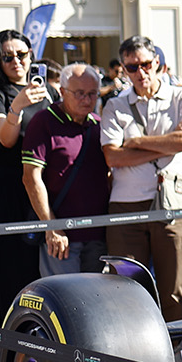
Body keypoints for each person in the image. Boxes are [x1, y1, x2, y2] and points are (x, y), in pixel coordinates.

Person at [100, 36, 182, 321]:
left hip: (176, 202)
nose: (141, 72)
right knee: (126, 291)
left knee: (174, 293)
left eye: (146, 64)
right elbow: (113, 158)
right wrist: (165, 144)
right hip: (127, 205)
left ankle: (175, 355)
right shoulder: (114, 106)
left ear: (157, 63)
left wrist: (136, 142)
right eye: (132, 67)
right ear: (123, 69)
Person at [0, 29, 48, 318]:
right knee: (15, 278)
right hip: (8, 192)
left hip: (42, 189)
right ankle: (16, 354)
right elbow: (6, 138)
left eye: (22, 55)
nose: (16, 61)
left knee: (44, 276)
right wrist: (17, 105)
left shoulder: (46, 89)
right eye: (7, 57)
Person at [21, 63, 109, 276]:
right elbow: (31, 178)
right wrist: (51, 226)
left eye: (92, 94)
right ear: (62, 92)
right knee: (63, 302)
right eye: (79, 93)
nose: (86, 100)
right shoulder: (43, 122)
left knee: (93, 302)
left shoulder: (99, 125)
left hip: (97, 234)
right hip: (61, 236)